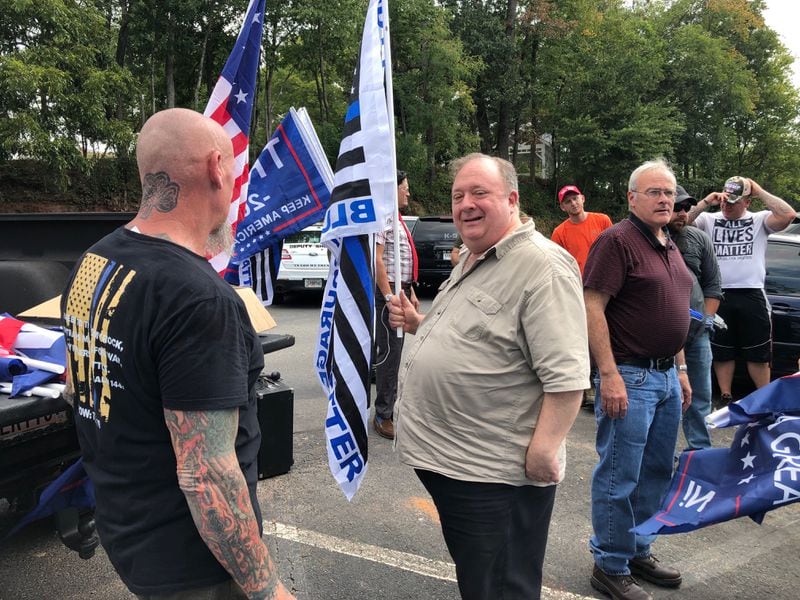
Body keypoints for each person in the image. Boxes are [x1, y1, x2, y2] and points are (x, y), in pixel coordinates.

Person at [61, 108, 294, 600]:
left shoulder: (96, 259)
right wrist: (268, 589)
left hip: (127, 531)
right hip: (193, 565)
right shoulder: (199, 299)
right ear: (216, 168)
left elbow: (74, 382)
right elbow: (205, 472)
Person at [388, 153, 589, 600]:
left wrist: (543, 450)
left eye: (479, 192)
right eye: (459, 195)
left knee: (500, 587)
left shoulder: (544, 266)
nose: (465, 204)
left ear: (512, 199)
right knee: (480, 579)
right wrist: (419, 323)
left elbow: (568, 376)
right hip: (458, 465)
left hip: (495, 476)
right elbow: (484, 337)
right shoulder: (475, 257)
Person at [583, 159, 693, 600]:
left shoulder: (669, 241)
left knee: (655, 473)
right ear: (632, 198)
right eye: (654, 192)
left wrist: (682, 369)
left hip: (666, 377)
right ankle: (609, 564)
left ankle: (638, 549)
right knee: (619, 474)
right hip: (630, 375)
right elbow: (592, 306)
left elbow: (675, 309)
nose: (665, 199)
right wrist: (608, 375)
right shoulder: (617, 241)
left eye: (669, 192)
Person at [688, 176, 796, 403]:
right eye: (725, 201)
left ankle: (763, 399)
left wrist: (759, 190)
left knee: (758, 352)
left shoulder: (759, 220)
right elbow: (682, 222)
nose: (727, 206)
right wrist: (706, 201)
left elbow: (788, 215)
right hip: (718, 294)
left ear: (747, 202)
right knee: (722, 349)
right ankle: (725, 396)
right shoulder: (709, 219)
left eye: (734, 202)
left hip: (751, 293)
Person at [668, 185, 723, 450]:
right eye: (677, 207)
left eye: (686, 208)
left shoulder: (699, 239)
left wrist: (709, 319)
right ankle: (660, 457)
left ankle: (699, 452)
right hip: (662, 337)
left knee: (700, 395)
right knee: (666, 397)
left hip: (697, 333)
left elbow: (713, 285)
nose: (682, 212)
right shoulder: (652, 237)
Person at [373, 170, 419, 439]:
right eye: (405, 187)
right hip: (388, 294)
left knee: (397, 352)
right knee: (389, 353)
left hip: (399, 291)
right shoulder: (384, 216)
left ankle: (389, 407)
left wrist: (409, 290)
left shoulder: (397, 218)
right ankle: (383, 414)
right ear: (394, 188)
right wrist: (389, 296)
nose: (408, 192)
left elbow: (400, 258)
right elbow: (378, 260)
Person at [550, 185, 612, 276]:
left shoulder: (603, 220)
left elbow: (615, 250)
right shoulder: (559, 233)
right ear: (562, 207)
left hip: (605, 280)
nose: (573, 203)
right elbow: (556, 264)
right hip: (578, 284)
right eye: (568, 201)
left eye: (575, 198)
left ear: (582, 198)